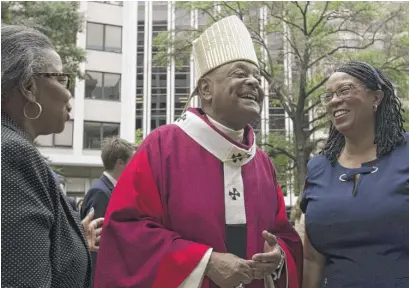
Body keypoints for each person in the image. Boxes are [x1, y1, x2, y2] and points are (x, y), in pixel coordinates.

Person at [95, 15, 302, 288]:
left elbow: (283, 234)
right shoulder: (162, 147)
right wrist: (204, 262)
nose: (253, 82)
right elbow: (127, 231)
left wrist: (278, 257)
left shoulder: (262, 162)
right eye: (240, 74)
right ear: (206, 89)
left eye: (257, 76)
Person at [1, 24, 103, 287]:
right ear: (28, 86)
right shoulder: (13, 154)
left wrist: (70, 238)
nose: (69, 95)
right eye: (60, 79)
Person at [301, 61, 409, 288]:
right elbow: (312, 259)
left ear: (376, 98)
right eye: (328, 96)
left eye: (345, 90)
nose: (334, 100)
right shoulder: (319, 169)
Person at [80, 136, 135, 283]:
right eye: (132, 161)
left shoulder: (108, 189)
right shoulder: (101, 192)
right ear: (120, 162)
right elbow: (96, 244)